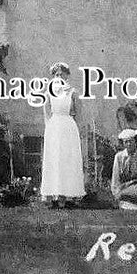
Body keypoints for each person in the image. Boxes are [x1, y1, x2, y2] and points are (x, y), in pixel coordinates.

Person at [39, 61, 85, 208]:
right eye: (56, 74)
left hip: (68, 127)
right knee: (54, 159)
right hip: (54, 127)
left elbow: (78, 112)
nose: (59, 76)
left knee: (67, 160)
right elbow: (46, 112)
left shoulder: (73, 92)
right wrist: (49, 127)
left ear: (66, 75)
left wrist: (74, 127)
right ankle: (54, 193)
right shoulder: (48, 92)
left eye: (61, 74)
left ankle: (66, 195)